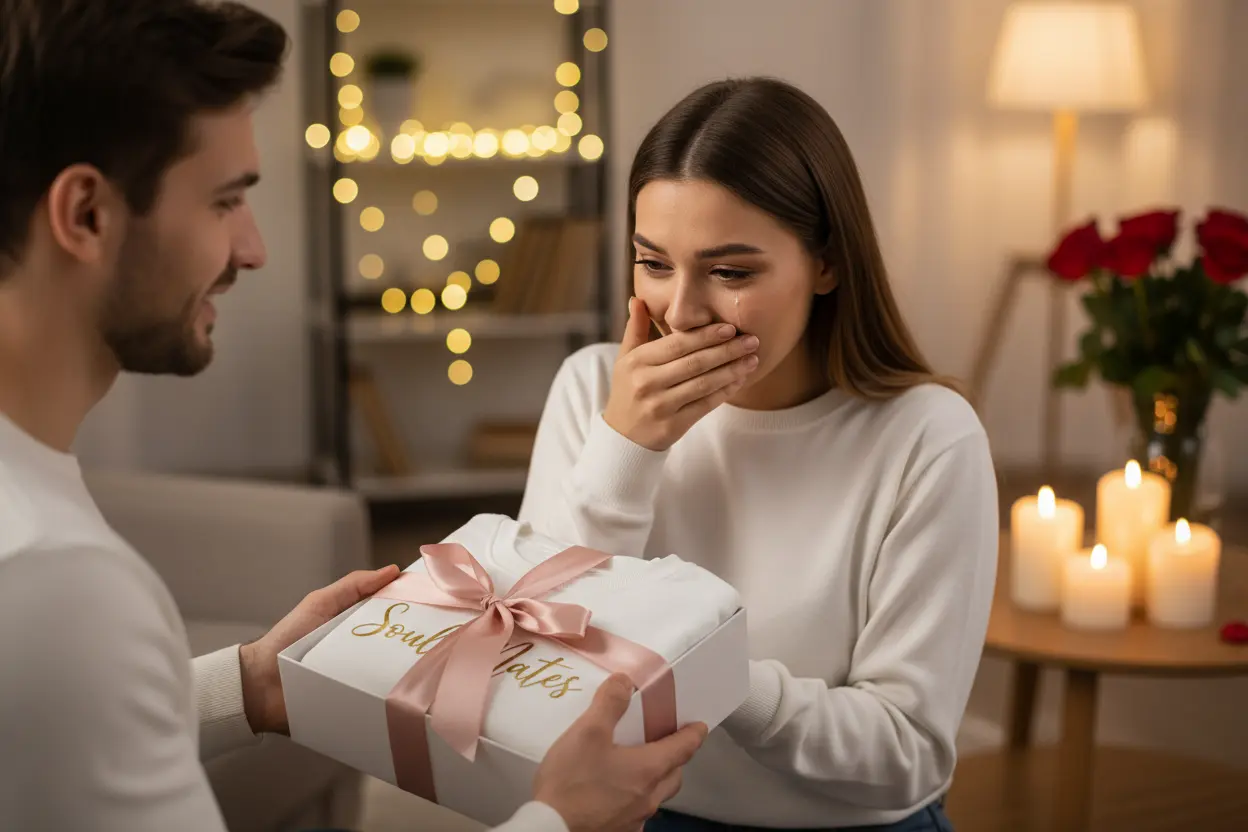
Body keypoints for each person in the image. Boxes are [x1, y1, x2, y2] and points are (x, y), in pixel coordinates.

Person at [0, 2, 705, 831]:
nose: (253, 249)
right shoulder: (60, 584)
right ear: (86, 214)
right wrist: (561, 819)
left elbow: (56, 729)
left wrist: (253, 683)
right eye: (224, 202)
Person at [518, 77, 999, 831]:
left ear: (827, 264)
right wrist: (625, 452)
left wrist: (714, 674)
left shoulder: (928, 436)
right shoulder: (592, 390)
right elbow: (536, 679)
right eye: (654, 263)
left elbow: (905, 751)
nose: (681, 312)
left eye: (730, 272)